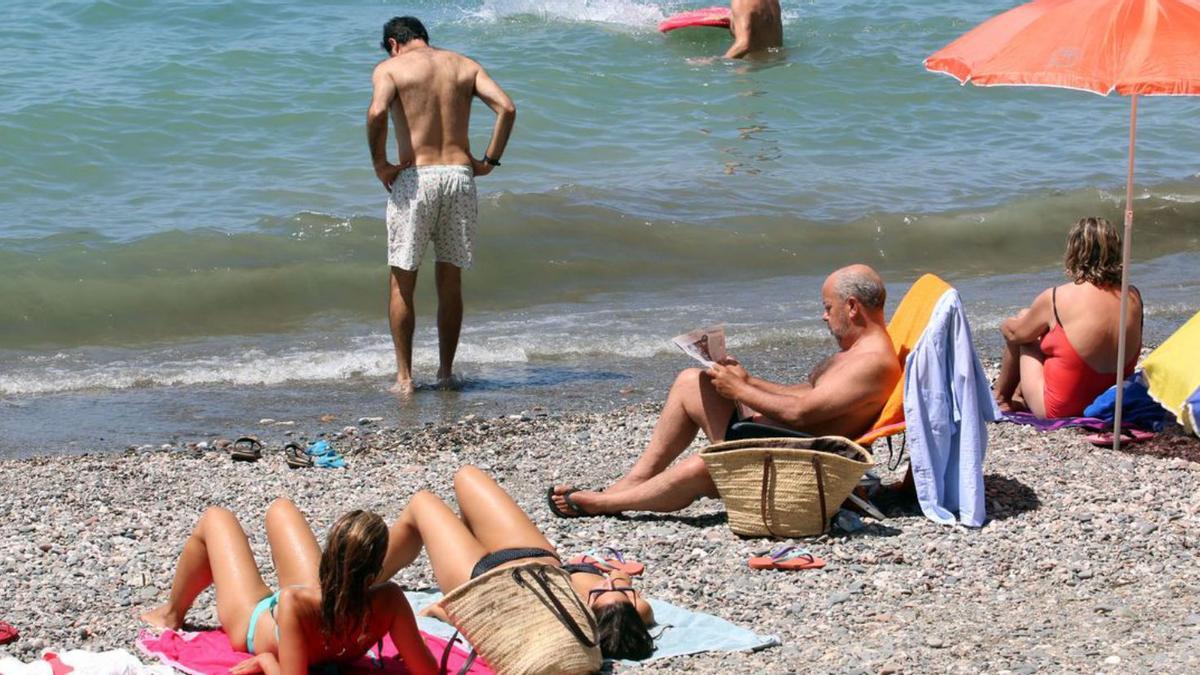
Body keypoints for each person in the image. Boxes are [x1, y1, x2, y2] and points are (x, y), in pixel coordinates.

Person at [548, 264, 901, 517]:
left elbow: (801, 413)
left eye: (828, 308)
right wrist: (747, 382)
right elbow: (809, 394)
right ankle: (636, 480)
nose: (825, 317)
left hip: (794, 459)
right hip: (773, 436)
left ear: (852, 307)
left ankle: (605, 504)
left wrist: (741, 392)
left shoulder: (870, 363)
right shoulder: (858, 354)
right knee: (692, 380)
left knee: (698, 467)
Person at [366, 16, 516, 394]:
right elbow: (507, 108)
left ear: (393, 44)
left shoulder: (390, 68)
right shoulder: (464, 64)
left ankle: (404, 379)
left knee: (403, 279)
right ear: (423, 38)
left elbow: (377, 112)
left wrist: (380, 163)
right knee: (450, 280)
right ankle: (446, 373)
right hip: (459, 178)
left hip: (417, 177)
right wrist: (489, 161)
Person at [379, 465, 656, 660]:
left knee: (422, 503)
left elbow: (481, 619)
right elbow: (621, 583)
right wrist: (618, 583)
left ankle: (353, 583)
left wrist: (443, 610)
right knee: (467, 475)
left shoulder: (564, 623)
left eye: (600, 594)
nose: (608, 585)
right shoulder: (633, 610)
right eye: (619, 593)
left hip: (485, 578)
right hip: (535, 555)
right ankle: (468, 538)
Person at [141, 500, 437, 675]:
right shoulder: (391, 600)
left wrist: (267, 661)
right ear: (376, 568)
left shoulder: (296, 602)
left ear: (330, 557)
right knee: (281, 508)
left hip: (254, 625)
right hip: (323, 606)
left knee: (216, 518)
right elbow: (428, 672)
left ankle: (172, 613)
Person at [993, 216, 1143, 419]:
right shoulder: (1133, 296)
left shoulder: (1057, 297)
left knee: (1023, 325)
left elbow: (1015, 334)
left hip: (1060, 409)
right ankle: (1021, 395)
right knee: (1050, 331)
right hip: (1112, 403)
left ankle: (1001, 398)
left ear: (1075, 252)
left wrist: (1006, 324)